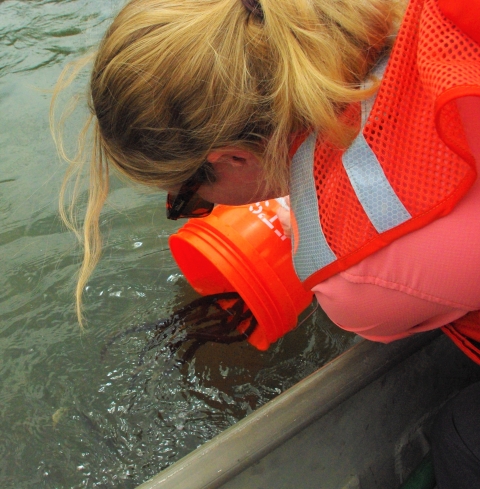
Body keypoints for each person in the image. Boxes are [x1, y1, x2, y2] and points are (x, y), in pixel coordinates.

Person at [52, 0, 480, 487]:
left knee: (461, 439)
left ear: (234, 157)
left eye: (188, 198)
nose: (198, 209)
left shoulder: (355, 283)